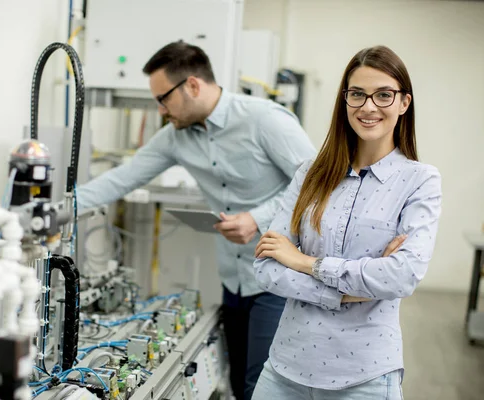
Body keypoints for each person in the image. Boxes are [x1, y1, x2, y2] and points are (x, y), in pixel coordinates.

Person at [76, 41, 316, 399]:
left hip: (278, 279)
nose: (160, 110)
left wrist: (257, 218)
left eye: (163, 99)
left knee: (262, 388)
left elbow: (317, 185)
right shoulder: (175, 137)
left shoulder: (263, 120)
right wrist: (62, 206)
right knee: (238, 384)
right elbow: (123, 178)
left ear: (192, 85)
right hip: (233, 281)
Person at [251, 45, 442, 399]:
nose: (369, 106)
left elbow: (402, 276)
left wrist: (305, 262)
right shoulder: (310, 173)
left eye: (384, 95)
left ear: (404, 103)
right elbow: (265, 267)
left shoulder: (420, 181)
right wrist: (346, 293)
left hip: (363, 378)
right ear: (345, 101)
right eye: (357, 94)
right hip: (284, 369)